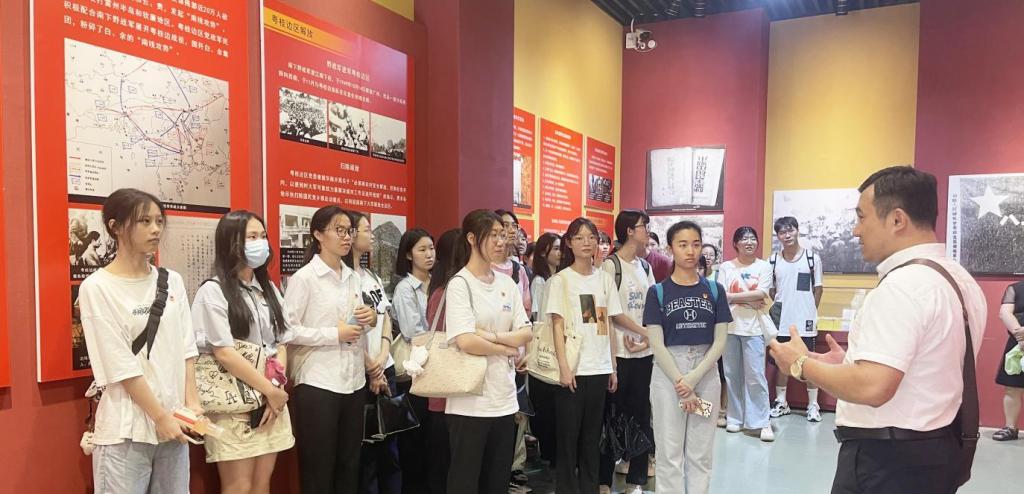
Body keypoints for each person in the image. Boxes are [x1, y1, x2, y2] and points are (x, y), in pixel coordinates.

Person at [769, 166, 987, 494]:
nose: (856, 230)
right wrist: (851, 363)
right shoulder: (959, 279)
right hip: (936, 451)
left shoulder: (902, 286)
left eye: (861, 217)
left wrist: (800, 364)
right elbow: (925, 368)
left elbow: (873, 387)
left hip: (888, 462)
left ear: (897, 220)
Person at [79, 188, 202, 493]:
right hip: (126, 431)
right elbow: (119, 365)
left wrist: (192, 405)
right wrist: (159, 416)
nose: (156, 229)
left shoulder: (171, 281)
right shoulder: (97, 287)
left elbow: (186, 348)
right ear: (115, 227)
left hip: (175, 425)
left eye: (159, 221)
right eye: (144, 221)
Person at [191, 210, 294, 493]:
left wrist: (275, 388)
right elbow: (223, 352)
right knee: (239, 486)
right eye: (251, 237)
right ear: (231, 242)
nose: (260, 243)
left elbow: (281, 342)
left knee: (262, 484)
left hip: (271, 400)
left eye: (262, 236)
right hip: (234, 402)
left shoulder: (268, 288)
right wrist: (269, 390)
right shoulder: (213, 291)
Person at [284, 205, 378, 493]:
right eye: (339, 230)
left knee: (349, 464)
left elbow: (355, 325)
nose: (347, 237)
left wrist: (370, 319)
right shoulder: (305, 278)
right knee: (319, 467)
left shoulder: (353, 277)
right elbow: (288, 331)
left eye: (349, 231)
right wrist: (333, 334)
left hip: (353, 381)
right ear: (317, 234)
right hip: (318, 382)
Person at [444, 210, 533, 494]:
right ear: (472, 239)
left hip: (504, 398)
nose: (500, 241)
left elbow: (526, 331)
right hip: (469, 401)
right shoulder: (460, 284)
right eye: (492, 235)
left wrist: (491, 337)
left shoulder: (507, 283)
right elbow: (466, 341)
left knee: (497, 481)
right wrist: (506, 348)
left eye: (502, 235)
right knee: (465, 481)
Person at [643, 220, 731, 494]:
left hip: (705, 376)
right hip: (668, 377)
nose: (690, 251)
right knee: (669, 453)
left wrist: (693, 378)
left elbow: (720, 341)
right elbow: (656, 343)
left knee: (700, 453)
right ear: (670, 249)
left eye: (695, 244)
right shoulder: (657, 292)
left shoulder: (715, 290)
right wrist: (682, 381)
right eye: (683, 245)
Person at [547, 217, 622, 494]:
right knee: (568, 438)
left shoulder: (604, 279)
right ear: (569, 243)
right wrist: (564, 367)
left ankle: (590, 488)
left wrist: (612, 366)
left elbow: (608, 324)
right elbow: (556, 326)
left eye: (591, 237)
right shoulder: (561, 281)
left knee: (592, 438)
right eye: (579, 237)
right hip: (574, 370)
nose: (586, 242)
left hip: (599, 368)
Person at [598, 210, 656, 494]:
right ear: (630, 231)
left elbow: (653, 306)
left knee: (642, 415)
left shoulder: (645, 266)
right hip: (618, 354)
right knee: (612, 417)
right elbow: (610, 312)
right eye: (644, 226)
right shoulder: (610, 266)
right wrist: (643, 333)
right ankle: (603, 480)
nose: (648, 231)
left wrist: (647, 339)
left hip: (643, 354)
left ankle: (636, 480)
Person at [343, 211, 401, 494]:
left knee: (390, 449)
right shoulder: (344, 280)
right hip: (362, 371)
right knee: (367, 453)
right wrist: (371, 367)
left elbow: (385, 316)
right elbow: (347, 329)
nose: (372, 235)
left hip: (384, 366)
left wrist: (383, 356)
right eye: (367, 229)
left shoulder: (371, 275)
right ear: (351, 235)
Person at [718, 226, 775, 442]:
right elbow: (721, 295)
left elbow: (763, 293)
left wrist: (733, 297)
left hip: (754, 329)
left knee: (755, 375)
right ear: (736, 244)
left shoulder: (764, 266)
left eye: (753, 238)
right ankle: (735, 417)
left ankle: (762, 421)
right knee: (732, 374)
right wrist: (748, 300)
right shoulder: (726, 267)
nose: (749, 242)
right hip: (730, 327)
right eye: (744, 239)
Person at [390, 228, 436, 489]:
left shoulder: (440, 284)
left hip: (438, 370)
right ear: (409, 255)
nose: (429, 254)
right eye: (422, 249)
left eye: (431, 248)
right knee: (414, 439)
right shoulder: (405, 289)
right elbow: (412, 332)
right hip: (414, 371)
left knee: (433, 439)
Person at [768, 216, 825, 422]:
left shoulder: (812, 258)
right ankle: (781, 402)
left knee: (808, 361)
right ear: (778, 236)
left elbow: (818, 289)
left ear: (797, 231)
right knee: (782, 362)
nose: (787, 235)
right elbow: (772, 290)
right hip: (782, 320)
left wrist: (808, 311)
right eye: (782, 232)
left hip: (805, 322)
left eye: (790, 230)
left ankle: (813, 405)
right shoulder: (773, 261)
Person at [492, 209, 532, 490]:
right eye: (501, 226)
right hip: (491, 352)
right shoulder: (477, 272)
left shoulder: (519, 271)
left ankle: (514, 466)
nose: (508, 231)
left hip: (517, 354)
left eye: (512, 226)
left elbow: (527, 315)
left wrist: (526, 350)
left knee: (518, 412)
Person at [423, 228, 462, 493]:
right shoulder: (446, 292)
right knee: (447, 461)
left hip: (450, 390)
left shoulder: (440, 290)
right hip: (449, 390)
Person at [527, 231, 562, 468]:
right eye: (555, 248)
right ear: (543, 252)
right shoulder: (540, 281)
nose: (560, 253)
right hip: (545, 343)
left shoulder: (557, 277)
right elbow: (539, 317)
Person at [994, 281, 1024, 441]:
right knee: (1012, 387)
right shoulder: (1015, 288)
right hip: (1017, 345)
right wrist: (1020, 336)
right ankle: (1010, 428)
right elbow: (1005, 313)